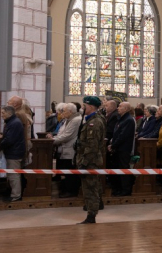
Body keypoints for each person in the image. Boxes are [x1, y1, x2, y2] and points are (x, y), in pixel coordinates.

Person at [76, 96, 107, 224]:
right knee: (92, 186)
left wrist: (84, 163)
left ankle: (91, 215)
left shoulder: (95, 123)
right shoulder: (91, 120)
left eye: (85, 106)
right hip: (88, 158)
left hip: (90, 160)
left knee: (91, 188)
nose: (83, 108)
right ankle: (95, 208)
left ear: (91, 107)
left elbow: (92, 146)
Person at [49, 103, 82, 198]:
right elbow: (61, 133)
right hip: (64, 148)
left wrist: (52, 141)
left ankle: (71, 191)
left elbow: (67, 135)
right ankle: (66, 189)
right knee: (66, 171)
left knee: (71, 172)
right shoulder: (68, 119)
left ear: (70, 111)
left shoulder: (76, 120)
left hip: (71, 149)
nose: (62, 113)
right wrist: (54, 138)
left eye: (64, 111)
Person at [107, 102, 136, 196]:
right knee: (117, 168)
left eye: (120, 106)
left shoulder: (128, 120)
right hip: (118, 148)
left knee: (124, 169)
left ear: (126, 109)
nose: (118, 108)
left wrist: (113, 145)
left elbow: (123, 135)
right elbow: (117, 133)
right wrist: (112, 143)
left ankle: (126, 190)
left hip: (124, 149)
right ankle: (118, 188)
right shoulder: (121, 119)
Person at [0, 106, 26, 202]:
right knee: (11, 174)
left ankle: (16, 196)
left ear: (9, 113)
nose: (1, 115)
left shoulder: (14, 123)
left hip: (14, 152)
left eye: (3, 113)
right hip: (13, 151)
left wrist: (0, 144)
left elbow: (10, 140)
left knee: (14, 175)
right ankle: (13, 193)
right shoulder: (12, 122)